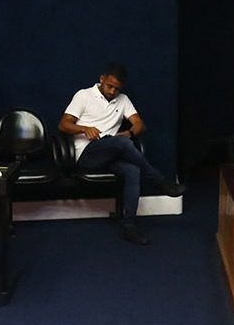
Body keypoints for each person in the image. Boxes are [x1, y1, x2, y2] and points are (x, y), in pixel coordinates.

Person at [59, 63, 185, 245]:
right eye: (109, 86)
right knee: (121, 143)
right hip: (87, 154)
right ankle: (160, 181)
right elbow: (63, 124)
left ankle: (129, 226)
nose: (112, 91)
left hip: (111, 151)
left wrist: (130, 133)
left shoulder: (123, 99)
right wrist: (84, 128)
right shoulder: (84, 95)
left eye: (117, 89)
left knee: (133, 171)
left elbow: (139, 124)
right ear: (102, 79)